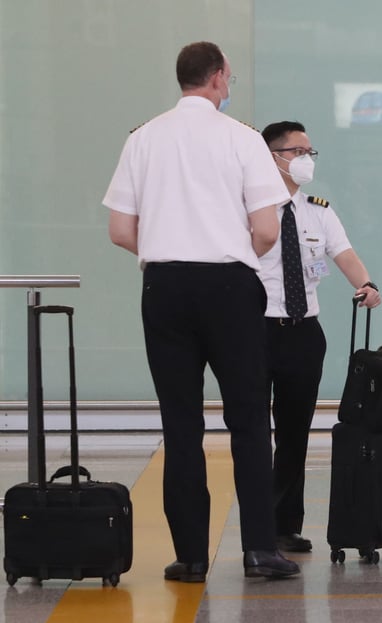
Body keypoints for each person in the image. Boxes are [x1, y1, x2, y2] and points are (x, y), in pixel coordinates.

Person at [104, 41, 299, 581]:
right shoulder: (242, 140)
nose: (230, 87)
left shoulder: (143, 138)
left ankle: (189, 556)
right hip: (230, 288)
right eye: (229, 79)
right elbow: (265, 228)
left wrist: (169, 243)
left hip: (163, 287)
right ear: (215, 78)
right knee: (248, 420)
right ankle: (260, 548)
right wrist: (231, 252)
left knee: (181, 423)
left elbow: (121, 231)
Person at [258, 120, 382, 553]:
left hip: (303, 332)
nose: (306, 159)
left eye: (310, 152)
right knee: (254, 433)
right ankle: (258, 530)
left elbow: (343, 253)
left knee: (294, 433)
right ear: (271, 156)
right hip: (256, 329)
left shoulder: (318, 209)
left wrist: (366, 284)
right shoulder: (247, 209)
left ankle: (284, 526)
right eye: (297, 151)